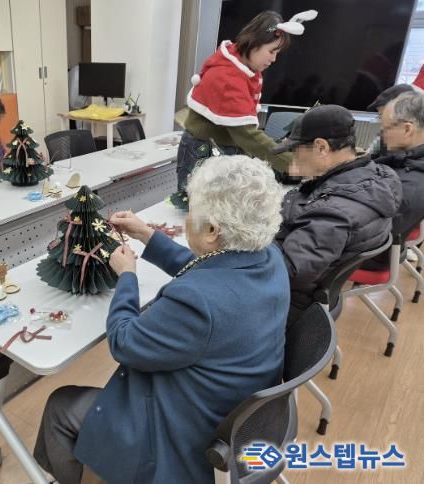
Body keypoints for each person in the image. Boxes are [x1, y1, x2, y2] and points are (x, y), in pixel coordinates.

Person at [33, 155, 290, 484]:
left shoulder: (196, 302)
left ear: (212, 230)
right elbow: (209, 267)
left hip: (189, 436)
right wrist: (147, 235)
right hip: (237, 415)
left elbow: (125, 342)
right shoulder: (269, 258)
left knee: (61, 405)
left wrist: (127, 276)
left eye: (192, 212)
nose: (188, 219)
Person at [272, 105, 402, 323]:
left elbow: (287, 271)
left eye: (296, 151)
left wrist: (250, 235)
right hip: (314, 289)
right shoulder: (379, 179)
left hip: (290, 304)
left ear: (321, 147)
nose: (294, 157)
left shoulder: (332, 214)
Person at [177, 9, 318, 192]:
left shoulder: (243, 67)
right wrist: (295, 165)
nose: (273, 59)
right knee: (202, 206)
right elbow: (248, 135)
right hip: (205, 153)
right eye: (271, 51)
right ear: (255, 42)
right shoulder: (228, 78)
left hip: (220, 148)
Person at [364, 91, 424, 268]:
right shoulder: (405, 160)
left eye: (386, 128)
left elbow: (364, 231)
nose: (382, 135)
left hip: (370, 254)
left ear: (407, 129)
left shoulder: (410, 185)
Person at [366, 84, 414, 156]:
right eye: (380, 116)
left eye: (382, 115)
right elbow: (370, 155)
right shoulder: (385, 135)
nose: (382, 122)